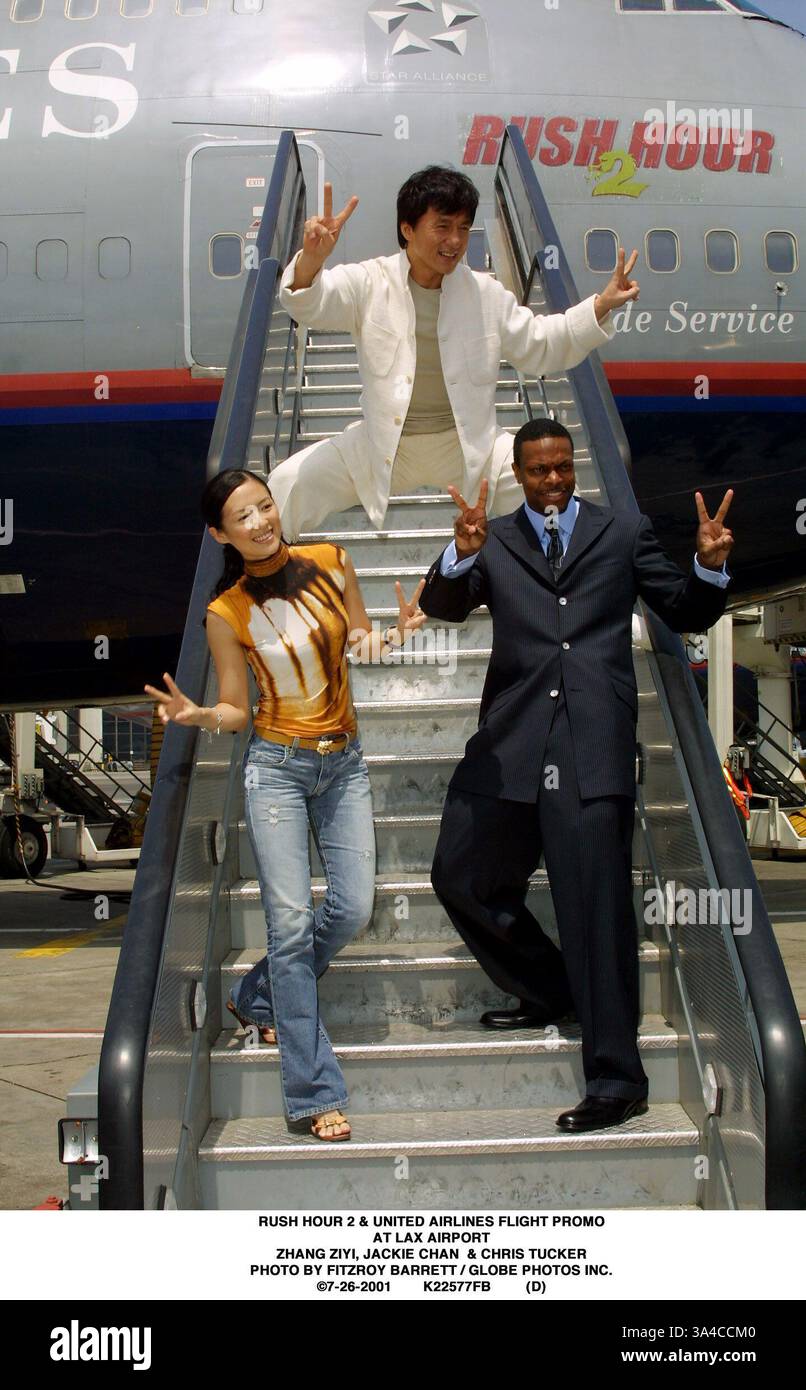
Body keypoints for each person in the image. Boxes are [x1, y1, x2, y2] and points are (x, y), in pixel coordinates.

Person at [418, 418, 734, 1133]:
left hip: (591, 744)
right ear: (519, 477)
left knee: (595, 909)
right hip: (511, 741)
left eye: (562, 467)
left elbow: (681, 610)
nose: (553, 480)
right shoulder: (491, 538)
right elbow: (440, 608)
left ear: (574, 466)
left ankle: (618, 1081)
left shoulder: (620, 533)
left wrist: (708, 568)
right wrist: (459, 556)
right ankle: (549, 985)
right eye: (539, 471)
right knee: (460, 875)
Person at [144, 468, 426, 1142]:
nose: (262, 521)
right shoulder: (227, 613)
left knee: (354, 906)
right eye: (244, 516)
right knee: (291, 927)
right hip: (275, 771)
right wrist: (201, 714)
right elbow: (239, 710)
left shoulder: (331, 561)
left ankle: (255, 992)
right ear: (221, 533)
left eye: (265, 507)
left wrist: (395, 635)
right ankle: (312, 1095)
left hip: (344, 762)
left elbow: (358, 642)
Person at [269, 168, 639, 538]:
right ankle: (255, 587)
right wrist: (312, 262)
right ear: (407, 229)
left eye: (463, 228)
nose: (455, 240)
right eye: (442, 226)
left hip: (468, 445)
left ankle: (559, 587)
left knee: (549, 491)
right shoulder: (369, 282)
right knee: (285, 484)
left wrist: (601, 306)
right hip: (381, 444)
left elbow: (541, 345)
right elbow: (310, 305)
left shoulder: (485, 293)